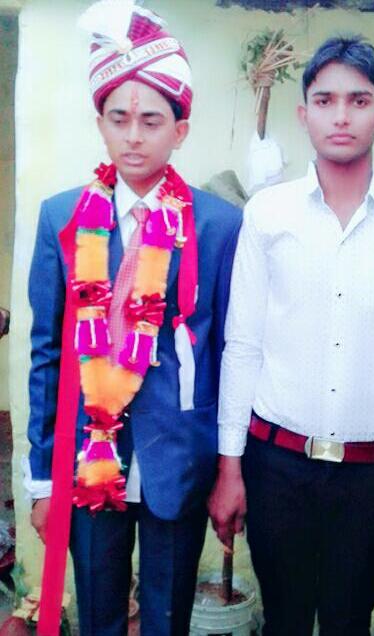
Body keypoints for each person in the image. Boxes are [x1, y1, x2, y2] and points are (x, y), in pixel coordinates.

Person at [209, 36, 374, 636]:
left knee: (350, 623)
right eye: (326, 100)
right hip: (275, 465)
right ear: (304, 114)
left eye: (359, 100)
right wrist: (230, 468)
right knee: (283, 622)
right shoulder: (268, 215)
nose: (342, 115)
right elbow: (242, 346)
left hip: (372, 475)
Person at [25, 3, 241, 635]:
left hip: (179, 461)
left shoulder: (220, 225)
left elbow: (230, 351)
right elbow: (47, 353)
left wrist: (231, 470)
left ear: (181, 129)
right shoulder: (61, 217)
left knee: (169, 620)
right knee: (99, 617)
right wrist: (41, 479)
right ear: (100, 123)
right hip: (89, 458)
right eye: (118, 119)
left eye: (151, 120)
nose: (134, 136)